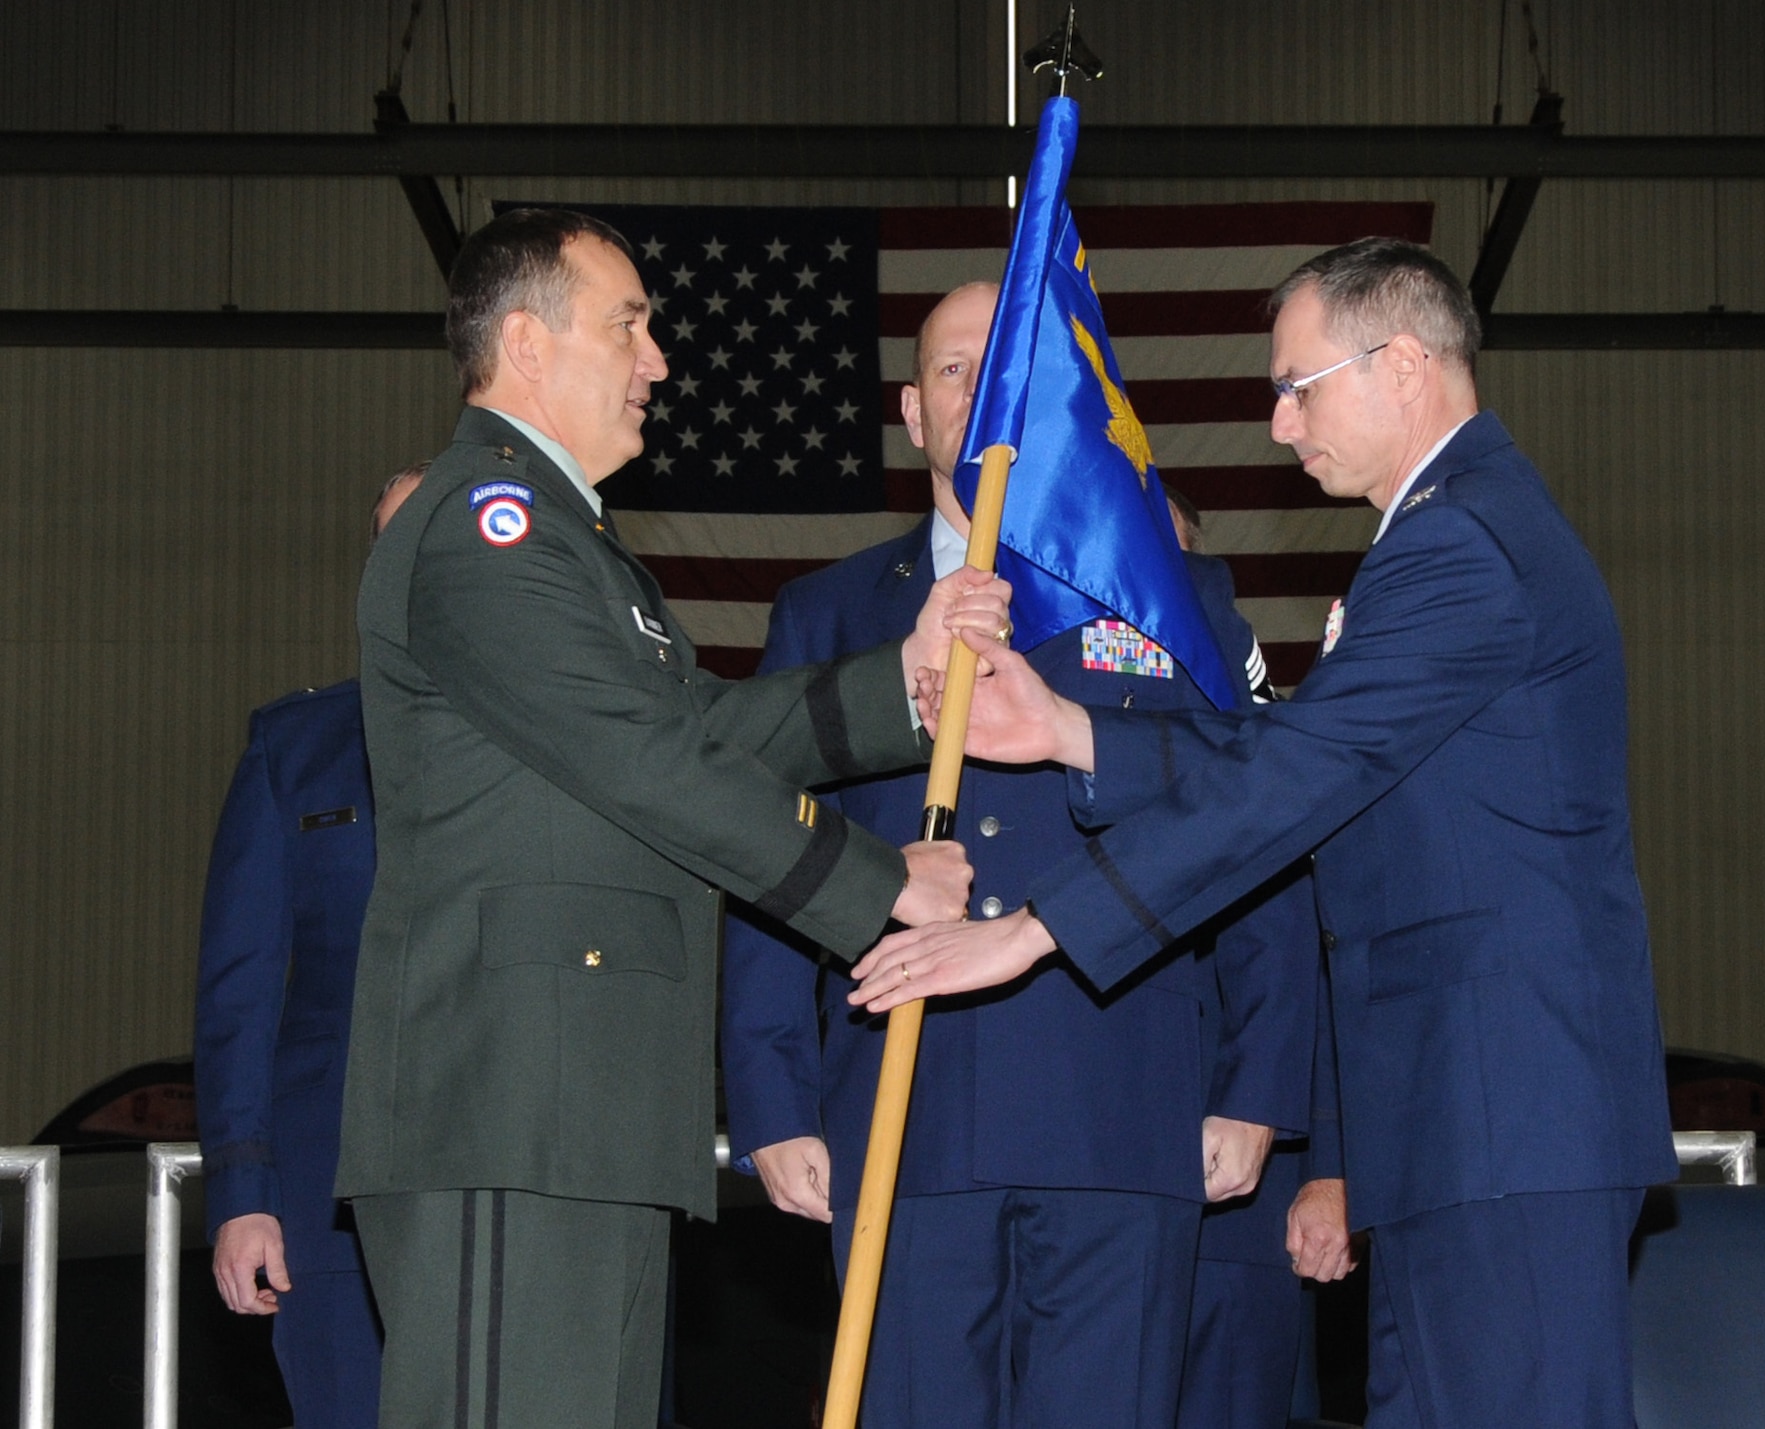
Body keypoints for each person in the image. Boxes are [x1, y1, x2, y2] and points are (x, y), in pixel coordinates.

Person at [850, 238, 1679, 1429]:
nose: (1281, 425)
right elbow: (1297, 757)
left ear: (1398, 365)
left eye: (1299, 385)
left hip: (1503, 1105)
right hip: (1466, 1111)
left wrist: (1034, 929)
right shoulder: (1445, 531)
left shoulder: (1461, 546)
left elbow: (1295, 775)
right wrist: (1080, 737)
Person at [336, 207, 1003, 1429]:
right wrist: (873, 888)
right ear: (528, 346)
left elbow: (696, 728)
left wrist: (894, 683)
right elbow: (643, 759)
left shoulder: (573, 541)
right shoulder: (493, 529)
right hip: (510, 1105)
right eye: (629, 325)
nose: (658, 361)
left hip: (578, 1105)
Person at [721, 282, 1318, 1429]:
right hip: (900, 1108)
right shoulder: (830, 610)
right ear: (912, 409)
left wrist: (1254, 1086)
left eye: (1008, 371)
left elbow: (1256, 832)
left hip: (1122, 1100)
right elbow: (759, 847)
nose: (980, 393)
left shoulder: (1170, 595)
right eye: (954, 370)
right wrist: (771, 1096)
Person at [193, 465, 424, 1429]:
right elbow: (239, 992)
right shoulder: (296, 747)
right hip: (328, 1201)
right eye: (386, 541)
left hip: (519, 1191)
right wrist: (243, 1192)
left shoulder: (566, 742)